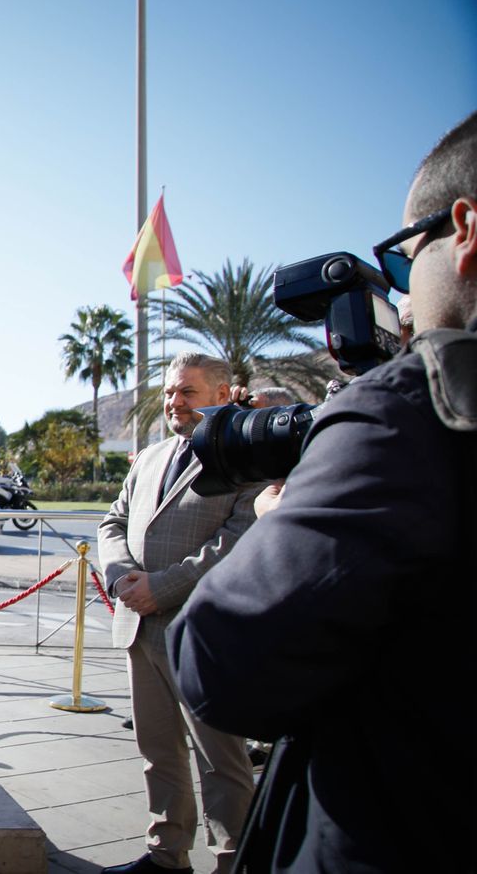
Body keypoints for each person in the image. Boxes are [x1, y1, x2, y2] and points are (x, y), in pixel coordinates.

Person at [169, 109, 477, 872]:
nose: (403, 304)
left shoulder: (415, 412)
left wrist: (280, 522)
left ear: (463, 229)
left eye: (405, 263)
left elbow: (218, 665)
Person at [98, 352, 261, 874]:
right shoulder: (149, 457)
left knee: (221, 761)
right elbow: (112, 522)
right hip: (140, 628)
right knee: (158, 753)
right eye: (170, 391)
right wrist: (124, 577)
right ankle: (166, 854)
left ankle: (233, 858)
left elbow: (238, 539)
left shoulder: (244, 459)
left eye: (187, 392)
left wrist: (162, 588)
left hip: (203, 634)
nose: (174, 401)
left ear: (220, 394)